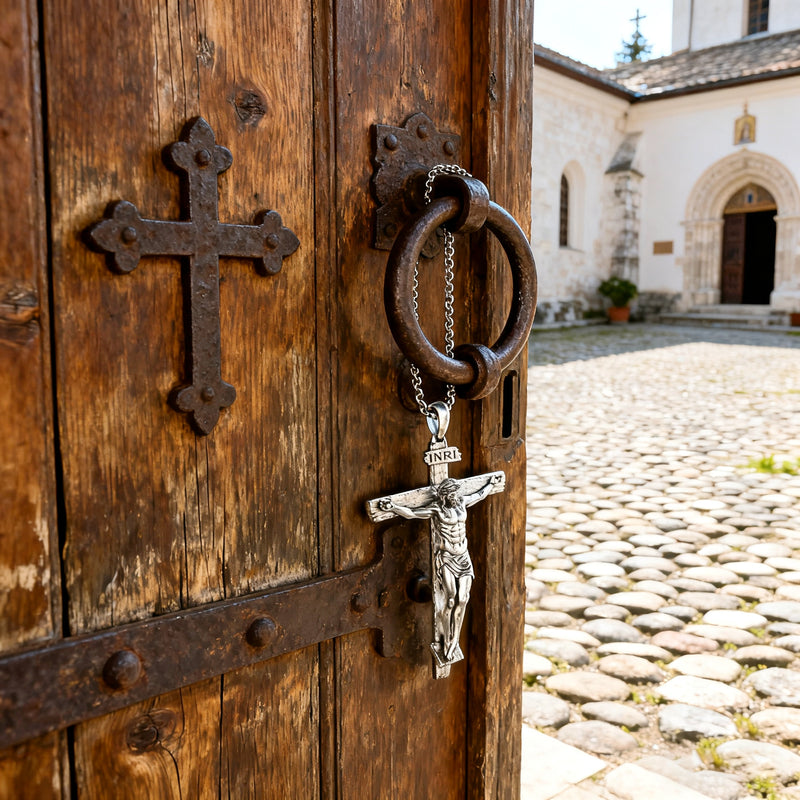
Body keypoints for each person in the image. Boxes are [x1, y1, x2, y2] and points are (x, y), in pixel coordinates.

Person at [379, 473, 503, 662]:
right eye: (451, 494)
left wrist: (491, 484)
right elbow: (412, 512)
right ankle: (446, 639)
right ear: (444, 495)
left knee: (464, 599)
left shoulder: (462, 503)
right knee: (451, 599)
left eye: (455, 493)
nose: (454, 497)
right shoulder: (437, 509)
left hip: (463, 557)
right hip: (446, 558)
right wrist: (393, 506)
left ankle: (453, 641)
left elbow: (479, 494)